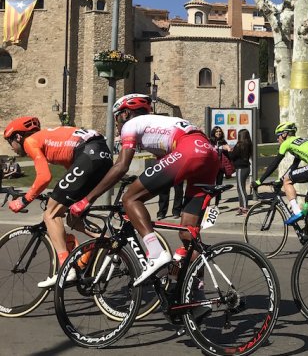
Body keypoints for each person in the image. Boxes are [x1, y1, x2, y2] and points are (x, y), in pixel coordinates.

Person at [69, 94, 220, 286]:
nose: (117, 124)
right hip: (209, 154)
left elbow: (121, 166)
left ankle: (155, 253)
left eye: (116, 118)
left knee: (130, 199)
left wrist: (87, 200)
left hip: (189, 151)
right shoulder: (160, 122)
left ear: (125, 114)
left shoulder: (131, 125)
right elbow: (160, 169)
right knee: (188, 234)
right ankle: (195, 297)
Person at [4, 116, 112, 287]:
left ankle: (66, 269)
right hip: (101, 154)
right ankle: (111, 243)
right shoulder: (50, 138)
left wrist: (24, 200)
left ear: (18, 137)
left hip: (89, 153)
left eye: (10, 141)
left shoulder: (30, 141)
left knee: (50, 214)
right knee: (72, 218)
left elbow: (44, 177)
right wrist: (58, 198)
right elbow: (72, 174)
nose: (12, 148)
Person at [253, 122, 308, 224]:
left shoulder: (287, 143)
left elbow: (274, 164)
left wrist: (259, 181)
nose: (277, 139)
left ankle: (296, 211)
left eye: (278, 136)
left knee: (287, 181)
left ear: (284, 134)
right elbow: (294, 166)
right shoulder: (302, 141)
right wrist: (280, 179)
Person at [229, 129, 253, 215]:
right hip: (246, 168)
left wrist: (229, 150)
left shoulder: (239, 145)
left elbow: (232, 156)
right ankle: (241, 206)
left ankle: (245, 207)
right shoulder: (249, 144)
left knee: (241, 189)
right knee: (240, 188)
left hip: (240, 169)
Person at [209, 126, 232, 205]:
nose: (218, 133)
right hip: (211, 167)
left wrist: (227, 148)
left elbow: (228, 151)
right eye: (216, 131)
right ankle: (207, 203)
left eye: (219, 131)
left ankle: (216, 204)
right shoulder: (210, 141)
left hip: (220, 168)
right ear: (213, 133)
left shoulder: (223, 142)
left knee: (219, 186)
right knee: (210, 186)